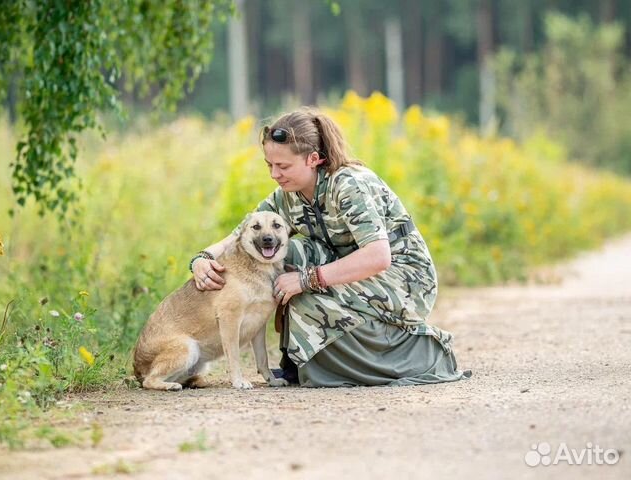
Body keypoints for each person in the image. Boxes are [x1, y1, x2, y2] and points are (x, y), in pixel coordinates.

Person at [188, 107, 471, 387]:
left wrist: (307, 279)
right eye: (269, 165)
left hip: (404, 277)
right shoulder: (287, 196)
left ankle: (418, 354)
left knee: (304, 295)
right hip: (350, 267)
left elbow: (378, 257)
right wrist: (202, 259)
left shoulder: (350, 185)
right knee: (274, 252)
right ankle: (306, 361)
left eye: (283, 166)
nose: (274, 174)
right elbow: (239, 238)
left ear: (313, 159)